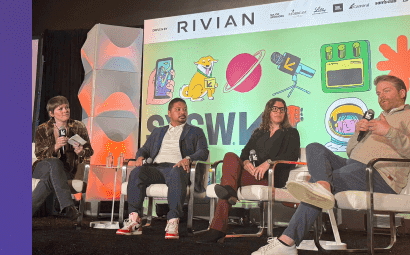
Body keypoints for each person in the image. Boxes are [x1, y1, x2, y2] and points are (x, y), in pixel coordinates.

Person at [255, 75, 410, 255]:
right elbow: (351, 152)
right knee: (315, 148)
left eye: (386, 91)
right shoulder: (377, 119)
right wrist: (358, 133)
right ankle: (323, 186)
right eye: (378, 93)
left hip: (379, 174)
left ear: (402, 93)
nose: (381, 97)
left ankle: (287, 242)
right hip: (353, 166)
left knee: (320, 181)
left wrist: (388, 131)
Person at [194, 97, 299, 243]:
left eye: (282, 109)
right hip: (252, 174)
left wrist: (268, 163)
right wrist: (246, 163)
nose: (279, 112)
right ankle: (229, 191)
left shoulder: (290, 133)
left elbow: (291, 155)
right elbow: (244, 153)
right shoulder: (259, 133)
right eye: (275, 108)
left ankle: (217, 229)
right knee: (230, 156)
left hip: (271, 176)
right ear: (268, 111)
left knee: (227, 186)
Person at [121, 97, 209, 239]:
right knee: (137, 172)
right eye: (178, 109)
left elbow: (203, 152)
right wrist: (140, 157)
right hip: (156, 169)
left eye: (185, 110)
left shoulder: (196, 131)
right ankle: (134, 220)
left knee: (176, 172)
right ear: (169, 113)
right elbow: (144, 149)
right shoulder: (158, 132)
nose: (183, 113)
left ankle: (173, 221)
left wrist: (188, 158)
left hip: (177, 168)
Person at [33, 95, 92, 219]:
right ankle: (68, 206)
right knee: (54, 162)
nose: (65, 111)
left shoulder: (78, 127)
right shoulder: (42, 129)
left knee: (48, 181)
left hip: (66, 171)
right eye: (60, 108)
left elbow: (89, 151)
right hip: (42, 168)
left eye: (67, 107)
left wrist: (81, 151)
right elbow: (39, 154)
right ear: (51, 113)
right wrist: (55, 147)